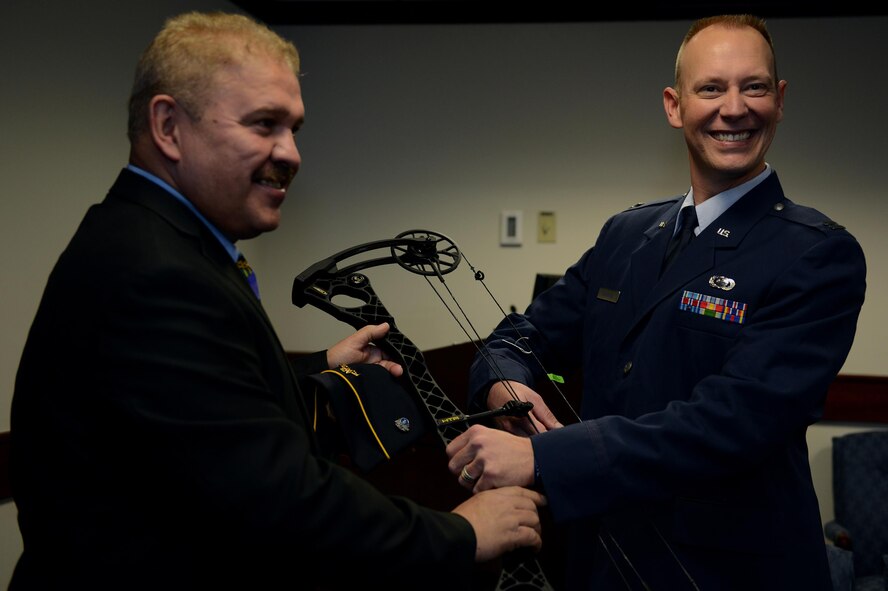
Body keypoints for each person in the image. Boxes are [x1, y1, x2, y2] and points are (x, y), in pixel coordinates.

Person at [9, 11, 544, 590]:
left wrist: (316, 373)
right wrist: (462, 533)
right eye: (263, 124)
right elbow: (279, 501)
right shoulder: (156, 274)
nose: (290, 153)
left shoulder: (157, 243)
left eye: (294, 129)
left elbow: (199, 416)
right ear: (168, 126)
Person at [446, 14, 866, 590]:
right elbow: (521, 335)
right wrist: (507, 383)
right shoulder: (627, 234)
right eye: (711, 88)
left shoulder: (819, 254)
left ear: (781, 99)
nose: (735, 107)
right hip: (601, 560)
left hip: (725, 573)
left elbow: (731, 424)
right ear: (675, 105)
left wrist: (546, 459)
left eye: (755, 86)